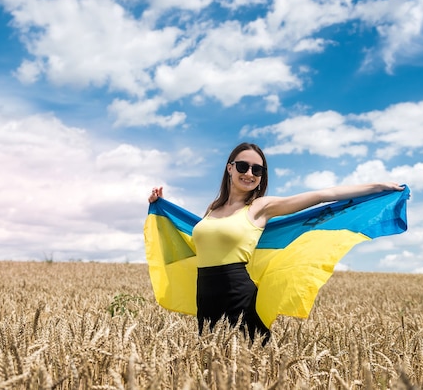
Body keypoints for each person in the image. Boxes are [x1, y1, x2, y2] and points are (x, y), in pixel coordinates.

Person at [148, 142, 403, 343]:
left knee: (252, 370)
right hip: (205, 296)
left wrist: (378, 186)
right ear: (229, 168)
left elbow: (321, 195)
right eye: (243, 166)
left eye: (257, 170)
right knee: (212, 370)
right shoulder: (212, 208)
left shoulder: (260, 207)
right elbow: (200, 241)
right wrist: (160, 207)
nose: (249, 173)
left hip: (239, 296)